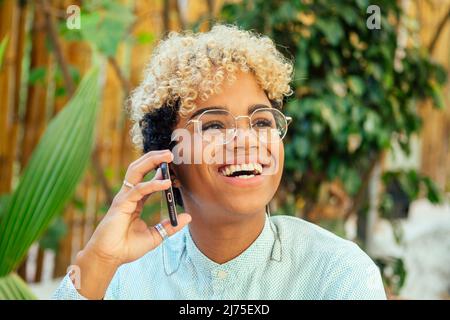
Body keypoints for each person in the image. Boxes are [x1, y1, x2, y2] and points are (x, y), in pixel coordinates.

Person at [53, 24, 386, 300]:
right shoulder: (123, 280)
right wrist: (98, 261)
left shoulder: (337, 274)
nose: (245, 140)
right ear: (169, 161)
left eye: (261, 122)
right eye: (213, 125)